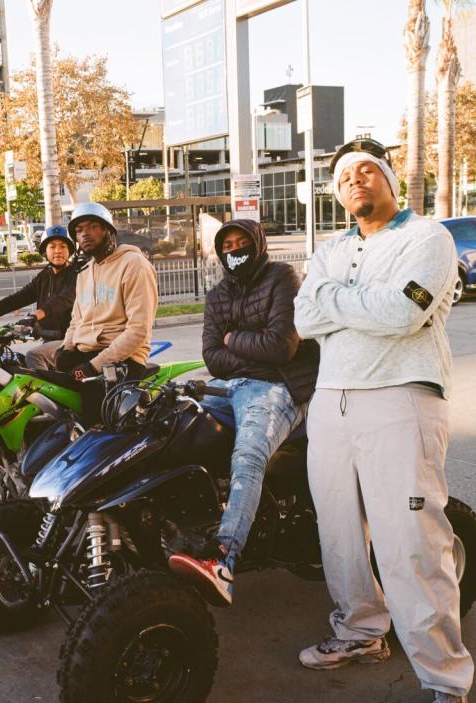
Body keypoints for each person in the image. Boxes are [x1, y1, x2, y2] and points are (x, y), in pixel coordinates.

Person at [293, 138, 472, 703]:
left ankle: (445, 679)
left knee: (410, 542)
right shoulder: (328, 250)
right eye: (345, 177)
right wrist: (354, 300)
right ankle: (361, 632)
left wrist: (333, 302)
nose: (356, 181)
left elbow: (403, 312)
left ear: (390, 181)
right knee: (339, 533)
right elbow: (302, 317)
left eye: (368, 171)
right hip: (331, 402)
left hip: (401, 399)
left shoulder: (427, 238)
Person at [167, 219, 319, 607]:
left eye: (242, 243)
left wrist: (233, 338)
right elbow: (212, 358)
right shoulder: (218, 293)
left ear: (258, 244)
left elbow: (281, 347)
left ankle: (223, 559)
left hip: (278, 387)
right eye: (227, 246)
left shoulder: (282, 277)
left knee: (248, 455)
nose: (234, 251)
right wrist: (245, 347)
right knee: (170, 429)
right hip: (227, 386)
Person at [56, 202, 158, 419]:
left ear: (108, 231)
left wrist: (93, 367)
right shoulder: (84, 272)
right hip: (87, 354)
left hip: (123, 360)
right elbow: (76, 319)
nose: (85, 234)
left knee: (96, 429)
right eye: (79, 230)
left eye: (93, 226)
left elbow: (138, 331)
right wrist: (66, 348)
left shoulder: (134, 265)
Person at [0, 226, 78, 369]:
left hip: (70, 341)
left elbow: (63, 300)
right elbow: (19, 298)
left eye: (63, 246)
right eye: (52, 246)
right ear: (45, 252)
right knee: (11, 363)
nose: (58, 250)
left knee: (33, 356)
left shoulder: (77, 274)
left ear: (69, 250)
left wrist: (34, 316)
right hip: (48, 340)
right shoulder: (45, 276)